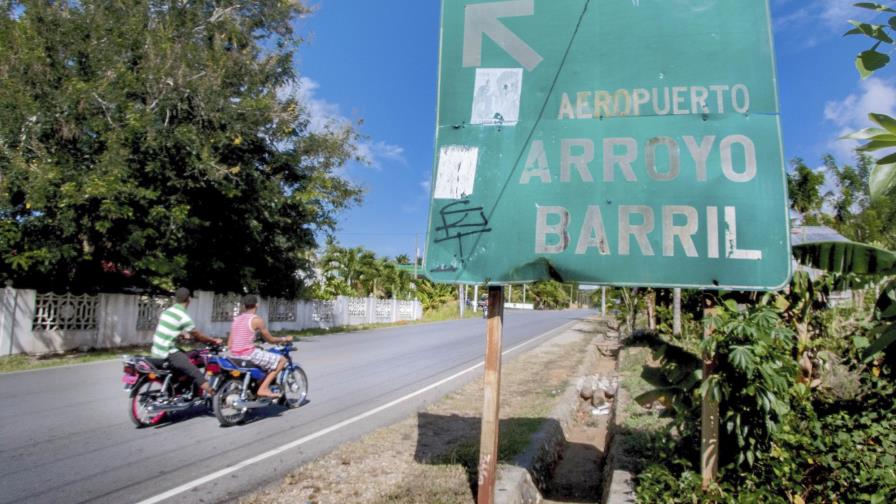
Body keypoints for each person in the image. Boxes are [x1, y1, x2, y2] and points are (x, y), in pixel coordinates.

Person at [150, 287, 223, 396]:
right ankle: (215, 395)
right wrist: (213, 340)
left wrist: (182, 333)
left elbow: (169, 329)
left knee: (188, 356)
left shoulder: (167, 312)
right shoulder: (184, 317)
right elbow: (198, 335)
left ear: (176, 299)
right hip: (168, 352)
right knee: (195, 372)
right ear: (189, 299)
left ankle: (178, 388)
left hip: (156, 350)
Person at [227, 294, 291, 398]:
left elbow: (230, 344)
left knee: (262, 358)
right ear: (257, 305)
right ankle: (264, 388)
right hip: (248, 355)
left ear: (244, 306)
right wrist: (284, 339)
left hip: (234, 355)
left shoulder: (236, 320)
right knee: (282, 360)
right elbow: (270, 340)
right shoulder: (256, 320)